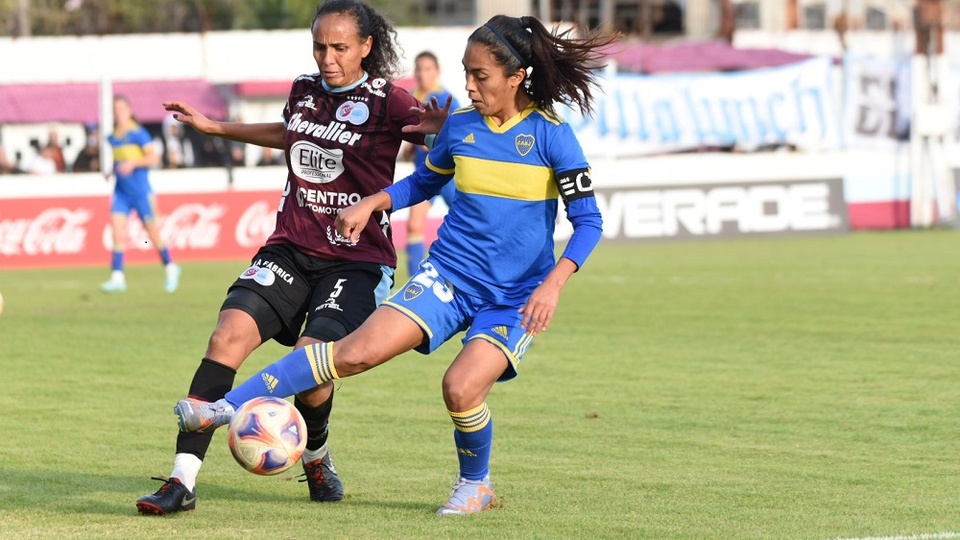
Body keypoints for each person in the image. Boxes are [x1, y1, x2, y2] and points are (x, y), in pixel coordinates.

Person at [174, 14, 613, 516]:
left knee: (461, 388)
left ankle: (476, 485)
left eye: (481, 76)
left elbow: (589, 222)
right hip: (447, 275)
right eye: (466, 72)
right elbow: (424, 183)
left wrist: (554, 284)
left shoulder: (552, 137)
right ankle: (222, 410)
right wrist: (372, 203)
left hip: (516, 295)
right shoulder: (462, 126)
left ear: (517, 77)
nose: (468, 86)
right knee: (353, 353)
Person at [136, 0, 449, 516]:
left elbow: (436, 143)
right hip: (291, 245)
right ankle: (181, 481)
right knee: (226, 336)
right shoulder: (304, 89)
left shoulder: (391, 101)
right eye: (320, 46)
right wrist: (216, 128)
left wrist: (441, 126)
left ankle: (317, 456)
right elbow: (290, 135)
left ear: (366, 47)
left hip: (358, 260)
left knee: (311, 363)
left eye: (340, 48)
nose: (328, 58)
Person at [100, 96, 181, 294]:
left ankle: (170, 267)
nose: (118, 113)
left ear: (129, 111)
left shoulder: (139, 134)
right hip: (121, 192)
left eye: (121, 109)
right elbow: (119, 160)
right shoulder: (113, 137)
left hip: (141, 192)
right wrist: (111, 170)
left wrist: (133, 164)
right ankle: (117, 276)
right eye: (115, 109)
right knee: (117, 232)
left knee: (152, 232)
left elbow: (153, 157)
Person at [402, 51, 459, 278]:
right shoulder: (410, 99)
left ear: (437, 71)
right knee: (414, 226)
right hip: (424, 176)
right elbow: (410, 139)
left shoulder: (447, 100)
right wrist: (410, 148)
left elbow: (459, 135)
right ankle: (415, 284)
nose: (423, 74)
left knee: (467, 224)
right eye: (419, 68)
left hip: (449, 176)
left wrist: (437, 143)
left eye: (428, 69)